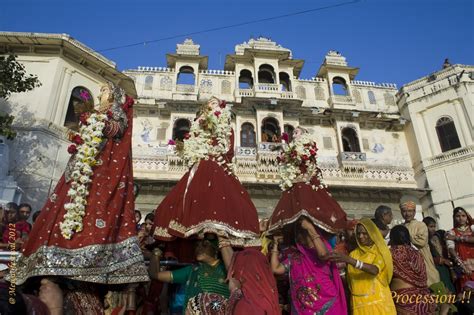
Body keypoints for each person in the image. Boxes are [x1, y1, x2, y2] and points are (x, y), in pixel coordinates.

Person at [14, 82, 148, 285]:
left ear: (113, 95)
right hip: (81, 166)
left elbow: (118, 130)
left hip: (101, 168)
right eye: (101, 90)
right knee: (63, 205)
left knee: (94, 206)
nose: (101, 93)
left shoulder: (115, 110)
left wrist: (99, 123)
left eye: (105, 90)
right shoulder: (94, 112)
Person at [153, 97, 259, 248]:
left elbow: (228, 149)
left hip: (218, 164)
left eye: (216, 103)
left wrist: (217, 154)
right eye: (210, 104)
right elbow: (192, 144)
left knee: (223, 202)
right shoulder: (199, 125)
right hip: (202, 163)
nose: (213, 106)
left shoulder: (226, 126)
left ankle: (220, 240)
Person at [268, 127, 347, 235]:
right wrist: (284, 152)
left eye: (296, 133)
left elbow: (303, 158)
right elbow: (289, 159)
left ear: (304, 134)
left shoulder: (307, 145)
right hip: (294, 182)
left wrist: (289, 153)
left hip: (305, 181)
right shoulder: (292, 147)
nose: (294, 135)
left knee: (306, 207)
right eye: (293, 133)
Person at [270, 217, 347, 314]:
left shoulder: (323, 251)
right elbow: (276, 269)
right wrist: (276, 244)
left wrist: (310, 228)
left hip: (327, 305)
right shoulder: (295, 258)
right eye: (297, 233)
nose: (299, 236)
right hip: (305, 309)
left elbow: (323, 255)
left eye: (302, 232)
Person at [328, 218, 396, 315]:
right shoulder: (354, 254)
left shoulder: (380, 251)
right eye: (358, 233)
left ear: (372, 234)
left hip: (379, 303)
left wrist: (349, 260)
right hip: (359, 304)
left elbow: (374, 270)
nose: (360, 236)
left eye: (364, 234)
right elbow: (350, 281)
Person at [150, 239, 230, 314]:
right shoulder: (193, 270)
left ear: (216, 249)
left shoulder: (229, 269)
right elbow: (155, 274)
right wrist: (157, 251)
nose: (199, 248)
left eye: (205, 245)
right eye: (197, 245)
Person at [401, 201, 451, 314]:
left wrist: (404, 237)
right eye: (404, 211)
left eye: (410, 211)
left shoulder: (420, 225)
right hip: (411, 265)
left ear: (414, 212)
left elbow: (421, 241)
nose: (407, 214)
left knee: (437, 294)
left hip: (425, 263)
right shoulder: (401, 227)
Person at [218, 236, 280, 315]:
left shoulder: (245, 305)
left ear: (242, 276)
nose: (229, 277)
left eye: (234, 272)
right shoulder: (268, 299)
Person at [389, 225, 436, 314]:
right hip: (423, 298)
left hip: (403, 298)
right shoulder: (417, 254)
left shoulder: (391, 253)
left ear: (392, 238)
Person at [423, 216, 456, 294]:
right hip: (436, 269)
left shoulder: (438, 237)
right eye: (431, 227)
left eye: (434, 226)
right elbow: (426, 258)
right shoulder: (423, 242)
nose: (433, 229)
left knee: (451, 289)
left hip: (445, 269)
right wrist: (442, 260)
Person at [446, 207, 474, 291]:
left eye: (463, 215)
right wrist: (462, 265)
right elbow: (451, 249)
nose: (461, 218)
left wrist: (456, 238)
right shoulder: (450, 232)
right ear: (454, 218)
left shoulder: (472, 228)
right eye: (458, 216)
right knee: (468, 292)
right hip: (463, 266)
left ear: (467, 217)